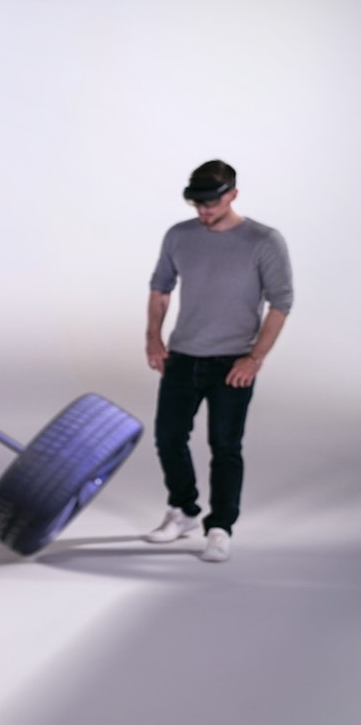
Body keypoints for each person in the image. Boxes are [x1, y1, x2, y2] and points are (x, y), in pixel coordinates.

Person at [143, 159, 293, 563]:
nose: (204, 211)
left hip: (233, 360)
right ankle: (185, 510)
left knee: (225, 446)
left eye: (212, 203)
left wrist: (254, 359)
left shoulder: (263, 240)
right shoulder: (179, 235)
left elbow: (281, 303)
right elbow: (160, 288)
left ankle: (221, 526)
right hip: (183, 355)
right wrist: (153, 338)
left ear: (233, 195)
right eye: (197, 204)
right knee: (168, 438)